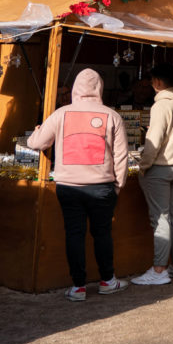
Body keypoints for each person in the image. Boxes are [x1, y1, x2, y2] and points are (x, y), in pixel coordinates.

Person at [28, 69, 130, 302]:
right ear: (99, 88)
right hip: (102, 187)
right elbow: (121, 156)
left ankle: (78, 287)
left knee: (74, 234)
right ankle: (107, 281)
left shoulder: (61, 113)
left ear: (75, 88)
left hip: (67, 186)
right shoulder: (112, 115)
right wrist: (118, 185)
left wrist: (34, 134)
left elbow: (38, 142)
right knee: (102, 233)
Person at [131, 63, 173, 286]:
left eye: (151, 82)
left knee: (160, 218)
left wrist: (143, 165)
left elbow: (153, 142)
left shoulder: (161, 106)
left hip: (159, 168)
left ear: (158, 83)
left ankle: (159, 269)